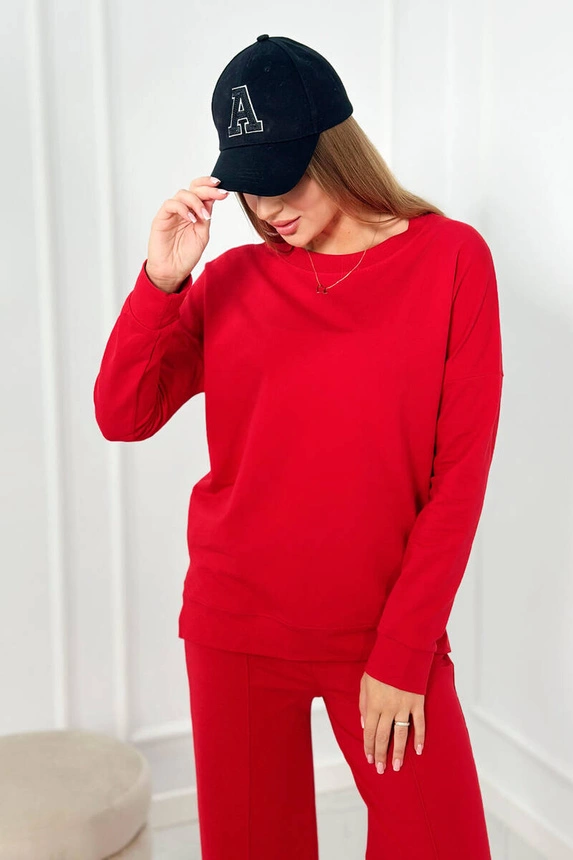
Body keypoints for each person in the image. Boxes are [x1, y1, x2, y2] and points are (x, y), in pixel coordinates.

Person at [93, 33, 503, 860]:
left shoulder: (450, 259)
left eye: (285, 176)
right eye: (249, 184)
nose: (267, 205)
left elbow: (457, 478)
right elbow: (121, 413)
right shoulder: (229, 282)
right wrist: (162, 280)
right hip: (235, 627)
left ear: (333, 145)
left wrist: (403, 653)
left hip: (381, 635)